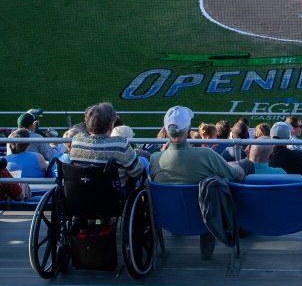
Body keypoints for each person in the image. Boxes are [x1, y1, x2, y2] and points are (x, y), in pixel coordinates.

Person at [149, 105, 244, 261]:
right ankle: (207, 253)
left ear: (165, 131)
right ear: (189, 131)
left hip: (169, 221)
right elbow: (237, 176)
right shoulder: (206, 154)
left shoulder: (155, 159)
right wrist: (238, 166)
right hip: (206, 220)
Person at [68, 102, 146, 183]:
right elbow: (137, 171)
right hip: (113, 194)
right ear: (111, 123)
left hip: (81, 193)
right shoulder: (120, 144)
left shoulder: (77, 140)